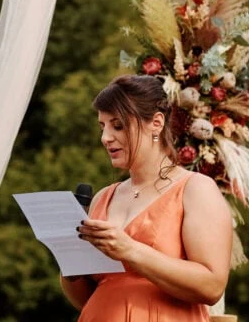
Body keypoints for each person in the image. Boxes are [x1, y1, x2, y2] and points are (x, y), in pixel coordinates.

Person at [60, 75, 232, 321]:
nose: (105, 137)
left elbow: (212, 286)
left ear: (156, 123)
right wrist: (69, 265)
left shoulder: (196, 189)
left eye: (118, 126)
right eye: (102, 127)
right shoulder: (102, 198)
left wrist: (130, 250)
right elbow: (87, 297)